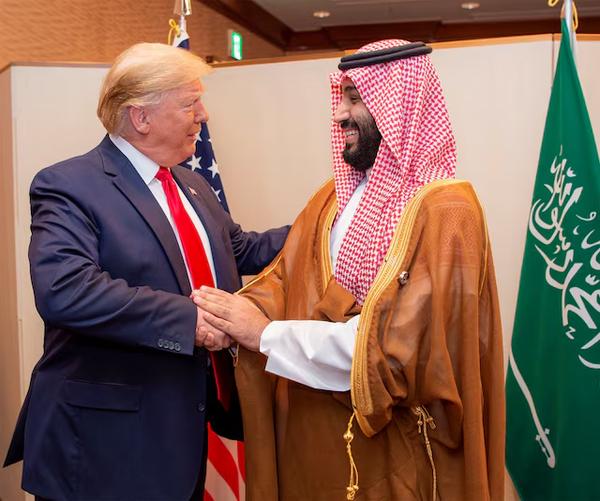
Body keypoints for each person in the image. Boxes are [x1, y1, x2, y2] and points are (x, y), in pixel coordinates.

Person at [193, 39, 505, 500]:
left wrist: (263, 336)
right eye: (340, 97)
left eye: (355, 98)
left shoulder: (447, 213)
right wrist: (228, 318)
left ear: (399, 103)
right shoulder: (333, 198)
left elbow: (399, 352)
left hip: (402, 457)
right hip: (319, 447)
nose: (339, 115)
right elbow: (286, 278)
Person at [3, 42, 288, 500]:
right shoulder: (68, 185)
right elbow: (66, 290)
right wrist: (189, 322)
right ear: (141, 116)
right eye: (190, 102)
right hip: (104, 448)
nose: (204, 114)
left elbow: (243, 249)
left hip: (184, 432)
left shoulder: (189, 183)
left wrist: (330, 220)